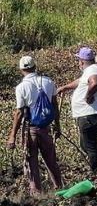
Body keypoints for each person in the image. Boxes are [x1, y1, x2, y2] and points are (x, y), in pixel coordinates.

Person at [10, 55, 64, 196]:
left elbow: (19, 113)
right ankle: (60, 188)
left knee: (31, 161)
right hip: (46, 127)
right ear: (35, 66)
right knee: (51, 159)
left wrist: (12, 136)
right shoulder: (48, 82)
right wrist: (58, 126)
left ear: (21, 69)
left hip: (30, 129)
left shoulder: (21, 87)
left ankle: (36, 193)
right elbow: (54, 106)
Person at [61, 47, 97, 174]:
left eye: (79, 60)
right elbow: (80, 82)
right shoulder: (91, 70)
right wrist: (65, 87)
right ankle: (96, 169)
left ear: (82, 61)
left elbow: (94, 83)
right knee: (86, 145)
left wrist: (88, 96)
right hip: (89, 114)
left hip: (89, 114)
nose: (78, 63)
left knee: (90, 147)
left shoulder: (93, 70)